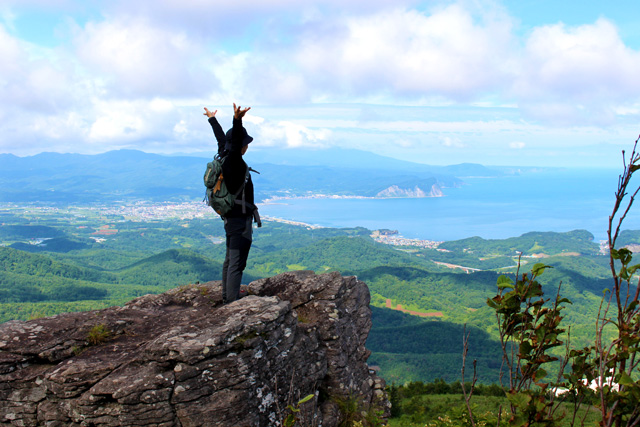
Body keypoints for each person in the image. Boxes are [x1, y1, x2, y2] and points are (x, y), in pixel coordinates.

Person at [203, 103, 259, 303]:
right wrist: (237, 120)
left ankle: (228, 296)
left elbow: (222, 139)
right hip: (239, 220)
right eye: (245, 143)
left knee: (229, 259)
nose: (246, 146)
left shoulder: (223, 155)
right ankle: (231, 301)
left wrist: (212, 119)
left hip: (229, 218)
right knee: (237, 262)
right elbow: (233, 142)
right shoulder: (233, 160)